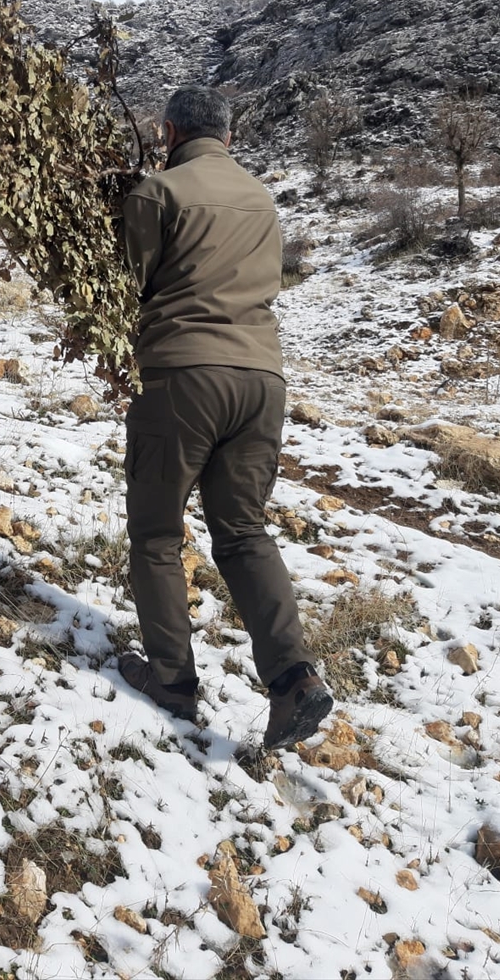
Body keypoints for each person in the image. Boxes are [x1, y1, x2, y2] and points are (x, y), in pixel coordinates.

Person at [118, 86, 333, 750]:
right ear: (230, 139)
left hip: (185, 375)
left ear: (169, 130)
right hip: (262, 382)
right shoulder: (263, 200)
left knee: (156, 533)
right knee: (243, 532)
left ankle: (173, 683)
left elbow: (128, 282)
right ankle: (294, 678)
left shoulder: (159, 192)